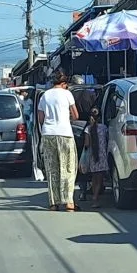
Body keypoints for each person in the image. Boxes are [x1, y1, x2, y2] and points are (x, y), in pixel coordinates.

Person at [37, 71, 79, 211]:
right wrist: (67, 120)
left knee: (52, 169)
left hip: (48, 134)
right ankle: (68, 202)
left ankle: (53, 203)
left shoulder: (44, 95)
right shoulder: (67, 94)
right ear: (64, 83)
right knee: (68, 167)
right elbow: (76, 115)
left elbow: (41, 119)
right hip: (65, 134)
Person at [80, 106, 108, 206]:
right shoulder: (104, 128)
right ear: (99, 117)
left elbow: (87, 144)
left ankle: (94, 195)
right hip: (102, 155)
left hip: (92, 155)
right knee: (99, 177)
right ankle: (95, 196)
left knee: (94, 177)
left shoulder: (88, 129)